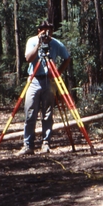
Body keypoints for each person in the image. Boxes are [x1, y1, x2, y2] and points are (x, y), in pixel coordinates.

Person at [18, 20, 71, 155]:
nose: (47, 33)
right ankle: (28, 145)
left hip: (49, 80)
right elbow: (28, 58)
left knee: (48, 113)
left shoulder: (56, 43)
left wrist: (58, 72)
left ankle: (46, 143)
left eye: (49, 30)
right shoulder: (32, 41)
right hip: (34, 80)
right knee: (30, 112)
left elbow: (67, 58)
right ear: (39, 31)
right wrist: (39, 44)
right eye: (44, 30)